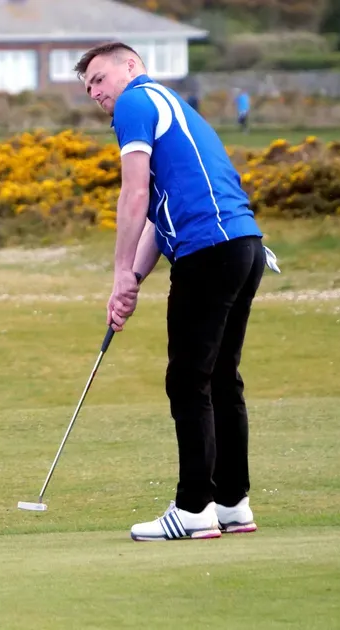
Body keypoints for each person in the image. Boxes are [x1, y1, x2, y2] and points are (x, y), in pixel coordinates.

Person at [74, 42, 280, 541]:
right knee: (221, 380)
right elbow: (156, 214)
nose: (96, 93)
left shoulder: (135, 103)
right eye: (88, 88)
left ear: (131, 67)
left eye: (100, 79)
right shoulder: (170, 106)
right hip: (243, 248)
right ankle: (232, 504)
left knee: (189, 381)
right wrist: (132, 282)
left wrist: (121, 268)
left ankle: (193, 509)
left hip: (208, 252)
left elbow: (135, 192)